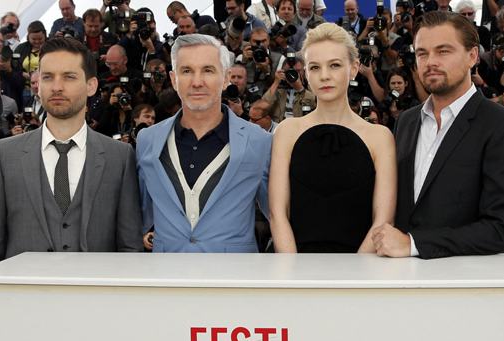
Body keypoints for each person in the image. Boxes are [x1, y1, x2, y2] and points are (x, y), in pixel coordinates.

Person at [0, 38, 144, 341]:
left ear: (91, 85)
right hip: (19, 320)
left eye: (69, 76)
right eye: (47, 77)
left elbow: (129, 249)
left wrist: (128, 318)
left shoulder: (120, 157)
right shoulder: (6, 155)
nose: (56, 86)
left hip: (99, 323)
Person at [372, 11, 504, 258]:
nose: (430, 61)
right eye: (422, 53)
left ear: (472, 56)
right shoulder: (406, 122)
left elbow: (500, 229)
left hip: (460, 284)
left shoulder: (503, 125)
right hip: (399, 280)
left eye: (443, 51)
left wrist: (414, 244)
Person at [136, 34, 271, 253]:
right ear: (173, 79)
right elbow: (139, 216)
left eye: (208, 70)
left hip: (235, 277)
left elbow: (277, 215)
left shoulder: (260, 140)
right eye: (187, 71)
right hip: (166, 277)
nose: (197, 82)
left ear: (226, 78)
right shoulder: (147, 140)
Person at [269, 22, 396, 253]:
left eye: (335, 65)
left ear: (355, 68)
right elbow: (278, 214)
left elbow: (383, 220)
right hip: (295, 272)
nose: (325, 76)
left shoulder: (380, 136)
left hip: (362, 273)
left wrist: (354, 279)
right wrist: (293, 276)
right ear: (306, 73)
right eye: (315, 68)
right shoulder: (287, 131)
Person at [261, 55, 316, 121]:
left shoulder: (310, 86)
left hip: (300, 125)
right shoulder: (279, 88)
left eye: (297, 71)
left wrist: (300, 88)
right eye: (289, 72)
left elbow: (314, 104)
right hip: (279, 125)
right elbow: (263, 107)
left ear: (303, 71)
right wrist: (275, 83)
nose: (293, 75)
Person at [77, 8, 119, 76]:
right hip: (84, 74)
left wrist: (109, 58)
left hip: (107, 75)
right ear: (84, 23)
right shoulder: (77, 40)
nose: (93, 29)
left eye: (96, 26)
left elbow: (121, 55)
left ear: (101, 23)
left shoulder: (112, 38)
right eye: (90, 26)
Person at [14, 21, 47, 105]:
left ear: (45, 35)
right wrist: (24, 74)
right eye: (34, 39)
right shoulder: (21, 48)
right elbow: (14, 66)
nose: (37, 42)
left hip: (47, 86)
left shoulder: (52, 47)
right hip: (27, 87)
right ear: (28, 36)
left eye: (40, 39)